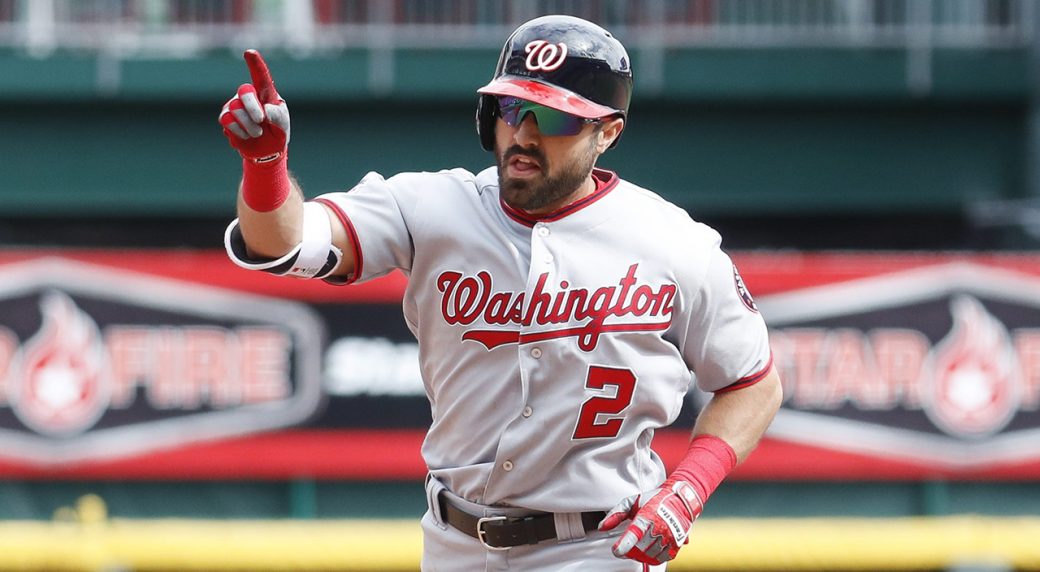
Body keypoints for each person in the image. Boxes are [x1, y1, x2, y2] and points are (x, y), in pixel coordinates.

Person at [219, 14, 782, 571]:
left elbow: (753, 383)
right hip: (454, 544)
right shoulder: (431, 207)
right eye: (512, 109)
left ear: (607, 133)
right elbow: (282, 242)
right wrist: (265, 165)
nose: (525, 135)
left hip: (599, 548)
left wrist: (689, 488)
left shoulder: (674, 243)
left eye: (555, 118)